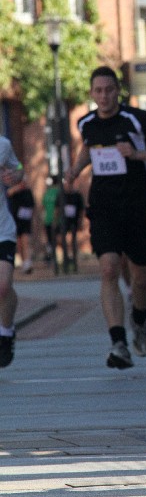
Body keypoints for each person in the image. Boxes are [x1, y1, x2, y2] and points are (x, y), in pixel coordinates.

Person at [65, 66, 146, 369]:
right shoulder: (86, 123)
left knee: (140, 278)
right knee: (109, 269)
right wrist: (75, 170)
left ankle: (139, 319)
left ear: (118, 92)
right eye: (98, 91)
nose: (103, 96)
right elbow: (89, 148)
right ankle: (118, 343)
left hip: (138, 206)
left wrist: (137, 155)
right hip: (104, 207)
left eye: (109, 90)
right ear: (92, 93)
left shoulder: (137, 119)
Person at [0, 137, 24, 367]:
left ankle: (6, 333)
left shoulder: (3, 145)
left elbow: (19, 169)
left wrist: (14, 176)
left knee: (3, 286)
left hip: (2, 230)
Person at [7, 178, 34, 273]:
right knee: (19, 243)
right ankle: (23, 262)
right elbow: (8, 194)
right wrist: (17, 188)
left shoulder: (28, 192)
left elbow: (32, 205)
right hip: (15, 220)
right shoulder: (13, 190)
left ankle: (27, 262)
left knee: (26, 241)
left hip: (25, 220)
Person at [42, 176, 60, 262]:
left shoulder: (47, 192)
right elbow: (58, 207)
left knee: (49, 239)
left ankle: (50, 256)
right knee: (56, 239)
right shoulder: (59, 192)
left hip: (47, 219)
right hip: (57, 220)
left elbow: (43, 207)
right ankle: (53, 257)